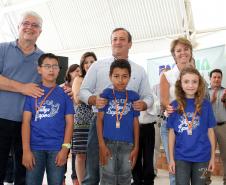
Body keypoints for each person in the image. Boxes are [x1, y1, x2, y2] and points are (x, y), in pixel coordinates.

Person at [79, 28, 153, 185]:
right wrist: (93, 99)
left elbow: (148, 96)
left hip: (126, 128)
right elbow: (82, 91)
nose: (118, 42)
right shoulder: (97, 66)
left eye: (122, 39)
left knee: (122, 172)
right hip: (99, 123)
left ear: (130, 44)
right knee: (93, 171)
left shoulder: (139, 70)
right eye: (114, 39)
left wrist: (144, 104)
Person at [0, 11, 44, 185]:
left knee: (23, 174)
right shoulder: (2, 49)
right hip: (1, 120)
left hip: (27, 124)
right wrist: (22, 87)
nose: (30, 27)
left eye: (35, 25)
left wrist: (66, 91)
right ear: (18, 27)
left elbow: (48, 88)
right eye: (26, 23)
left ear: (40, 31)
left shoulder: (44, 58)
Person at [21, 53, 74, 185]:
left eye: (55, 66)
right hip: (34, 148)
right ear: (39, 69)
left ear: (59, 70)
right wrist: (26, 150)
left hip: (57, 149)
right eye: (47, 66)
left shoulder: (65, 94)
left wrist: (65, 149)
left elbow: (70, 123)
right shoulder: (32, 92)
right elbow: (26, 122)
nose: (51, 70)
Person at [167, 67, 216, 185]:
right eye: (186, 81)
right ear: (180, 84)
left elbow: (210, 132)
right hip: (181, 158)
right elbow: (172, 134)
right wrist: (171, 159)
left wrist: (213, 158)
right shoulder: (174, 106)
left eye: (194, 81)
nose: (190, 85)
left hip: (202, 157)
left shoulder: (206, 105)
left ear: (199, 84)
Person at [97, 59, 140, 185]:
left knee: (125, 178)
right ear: (110, 77)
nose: (120, 80)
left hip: (127, 145)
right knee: (107, 177)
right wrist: (101, 145)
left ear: (129, 77)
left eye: (124, 76)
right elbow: (99, 120)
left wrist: (136, 147)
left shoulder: (133, 96)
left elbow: (135, 123)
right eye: (116, 76)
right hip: (107, 143)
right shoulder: (106, 94)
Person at [160, 37, 194, 185]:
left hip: (194, 127)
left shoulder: (198, 75)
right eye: (178, 50)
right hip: (172, 127)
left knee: (194, 168)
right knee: (176, 170)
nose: (182, 53)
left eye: (186, 49)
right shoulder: (166, 76)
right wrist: (169, 106)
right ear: (174, 54)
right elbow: (164, 100)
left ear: (191, 52)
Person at [72, 52, 97, 185]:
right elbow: (77, 98)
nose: (89, 64)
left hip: (97, 119)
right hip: (82, 121)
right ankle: (82, 183)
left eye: (92, 62)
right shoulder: (79, 79)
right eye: (86, 62)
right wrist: (93, 97)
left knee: (94, 155)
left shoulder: (100, 78)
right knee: (81, 154)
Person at [61, 64, 81, 185]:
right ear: (69, 73)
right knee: (65, 150)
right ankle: (61, 178)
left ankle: (76, 179)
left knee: (76, 153)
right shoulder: (62, 88)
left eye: (80, 71)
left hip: (78, 125)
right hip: (64, 126)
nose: (78, 73)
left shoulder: (83, 87)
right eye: (75, 71)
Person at [208, 69, 226, 185]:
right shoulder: (204, 92)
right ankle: (205, 181)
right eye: (214, 77)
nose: (216, 79)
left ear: (221, 79)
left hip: (223, 126)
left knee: (225, 155)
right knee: (207, 155)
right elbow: (199, 109)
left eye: (219, 77)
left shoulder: (225, 91)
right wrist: (211, 101)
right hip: (208, 128)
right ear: (210, 79)